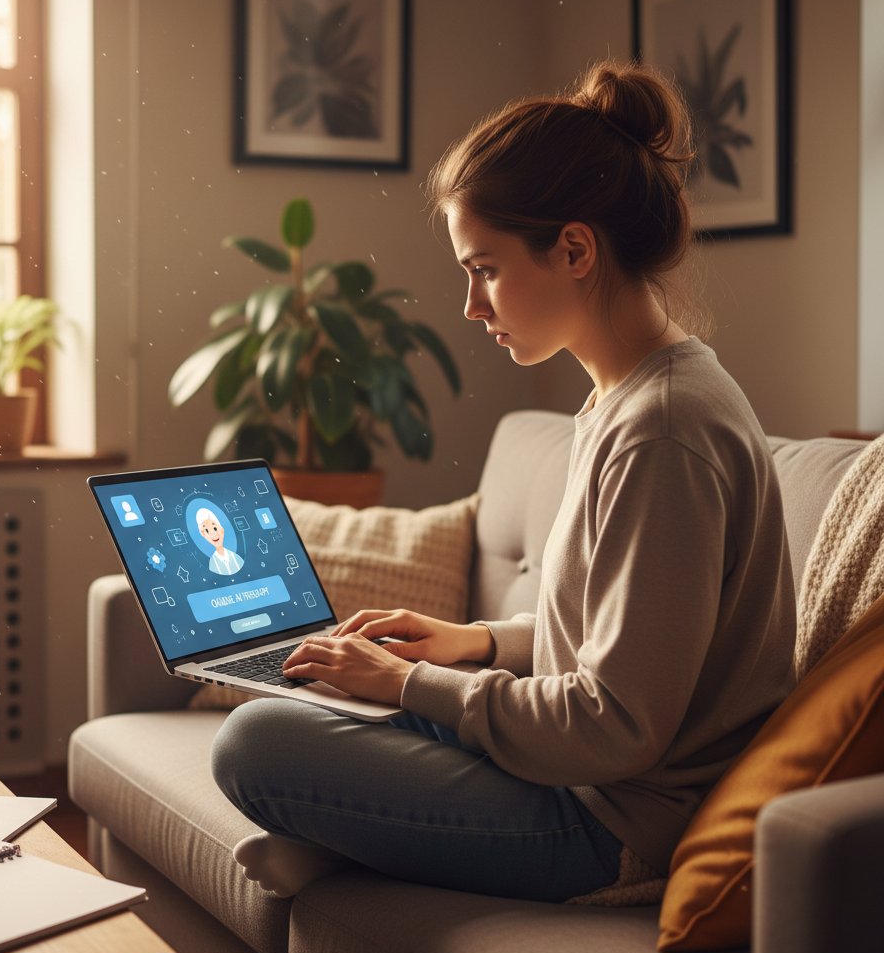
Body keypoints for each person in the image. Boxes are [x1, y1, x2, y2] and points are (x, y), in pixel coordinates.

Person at [210, 60, 796, 903]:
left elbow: (618, 724)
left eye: (483, 268)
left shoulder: (666, 432)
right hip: (572, 770)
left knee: (256, 743)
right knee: (303, 698)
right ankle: (361, 840)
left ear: (575, 249)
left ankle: (356, 841)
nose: (471, 306)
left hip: (611, 820)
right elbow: (620, 638)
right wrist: (472, 642)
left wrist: (412, 683)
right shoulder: (627, 399)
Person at [197, 508, 244, 576]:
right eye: (207, 531)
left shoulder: (236, 558)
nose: (213, 534)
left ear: (222, 529)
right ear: (203, 535)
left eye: (215, 528)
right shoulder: (212, 564)